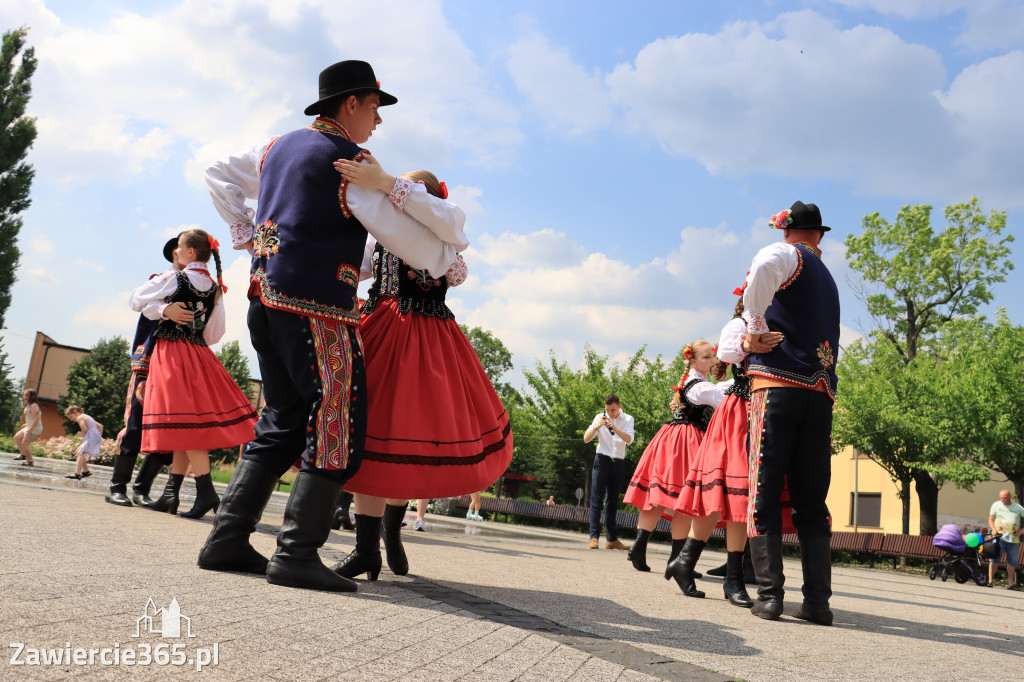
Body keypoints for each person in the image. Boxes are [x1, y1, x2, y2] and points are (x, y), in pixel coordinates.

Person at [199, 60, 464, 593]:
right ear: (351, 104)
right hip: (317, 308)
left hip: (265, 298)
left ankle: (226, 541)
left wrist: (248, 236)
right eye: (374, 108)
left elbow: (217, 172)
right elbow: (434, 246)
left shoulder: (277, 146)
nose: (378, 122)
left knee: (283, 417)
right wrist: (404, 202)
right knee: (338, 423)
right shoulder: (351, 163)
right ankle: (296, 553)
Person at [330, 168, 511, 582]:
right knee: (372, 432)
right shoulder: (380, 236)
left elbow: (457, 272)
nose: (400, 196)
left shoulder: (443, 237)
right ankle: (366, 548)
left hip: (427, 338)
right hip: (383, 328)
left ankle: (391, 531)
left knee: (410, 432)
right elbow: (354, 268)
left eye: (410, 192)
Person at [742, 201, 840, 625]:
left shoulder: (786, 254)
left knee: (762, 492)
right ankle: (818, 603)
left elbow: (763, 264)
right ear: (819, 234)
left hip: (778, 385)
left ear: (787, 231)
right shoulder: (826, 276)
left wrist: (754, 329)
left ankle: (769, 597)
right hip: (819, 393)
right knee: (811, 501)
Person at [128, 229, 258, 519]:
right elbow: (214, 334)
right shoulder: (215, 288)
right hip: (198, 353)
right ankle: (171, 494)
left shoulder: (175, 278)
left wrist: (163, 310)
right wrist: (170, 314)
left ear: (189, 253)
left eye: (179, 248)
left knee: (184, 425)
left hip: (171, 354)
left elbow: (135, 299)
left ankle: (206, 492)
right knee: (183, 423)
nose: (175, 252)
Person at [671, 300, 784, 605]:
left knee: (737, 496)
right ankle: (728, 578)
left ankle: (690, 563)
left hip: (761, 410)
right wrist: (751, 340)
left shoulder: (779, 322)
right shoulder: (739, 325)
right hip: (738, 415)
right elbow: (728, 353)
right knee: (736, 494)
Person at [625, 342, 731, 581]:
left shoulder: (691, 382)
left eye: (713, 356)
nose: (713, 361)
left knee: (660, 497)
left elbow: (718, 388)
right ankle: (676, 559)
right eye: (706, 357)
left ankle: (640, 548)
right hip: (688, 440)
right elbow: (723, 398)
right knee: (685, 500)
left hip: (669, 438)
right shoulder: (701, 387)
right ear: (693, 361)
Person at [105, 236, 179, 506]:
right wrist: (164, 308)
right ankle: (117, 486)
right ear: (176, 252)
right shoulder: (162, 280)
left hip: (178, 364)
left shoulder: (201, 287)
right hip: (149, 360)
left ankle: (141, 488)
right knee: (136, 422)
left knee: (169, 427)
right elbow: (139, 303)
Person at [584, 394, 635, 551]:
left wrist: (614, 427)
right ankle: (594, 537)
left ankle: (611, 539)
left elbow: (629, 439)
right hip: (602, 460)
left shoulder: (628, 419)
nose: (610, 413)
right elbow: (586, 438)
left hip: (618, 462)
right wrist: (597, 426)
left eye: (613, 410)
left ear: (619, 406)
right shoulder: (600, 417)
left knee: (612, 501)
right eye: (607, 410)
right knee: (596, 500)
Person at [988, 489, 1023, 590]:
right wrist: (993, 529)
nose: (1003, 500)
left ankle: (1010, 584)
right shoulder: (996, 505)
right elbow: (991, 520)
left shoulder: (1018, 508)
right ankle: (990, 581)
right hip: (998, 538)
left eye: (1005, 498)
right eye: (1001, 498)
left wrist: (1020, 532)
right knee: (994, 559)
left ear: (1010, 497)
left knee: (1012, 562)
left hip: (1013, 539)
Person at [64, 406, 102, 479]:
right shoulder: (87, 416)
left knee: (80, 452)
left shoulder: (80, 417)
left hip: (92, 436)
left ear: (75, 412)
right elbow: (100, 426)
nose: (72, 419)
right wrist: (98, 437)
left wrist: (80, 434)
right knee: (79, 452)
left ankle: (77, 474)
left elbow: (84, 430)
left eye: (71, 417)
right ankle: (85, 471)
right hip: (95, 436)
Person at [13, 389, 42, 466]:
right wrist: (26, 424)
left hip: (35, 428)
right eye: (24, 395)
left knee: (25, 443)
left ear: (32, 397)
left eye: (27, 395)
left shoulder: (34, 406)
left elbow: (37, 419)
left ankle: (30, 461)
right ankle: (23, 455)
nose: (25, 397)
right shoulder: (28, 405)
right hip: (29, 426)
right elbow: (31, 418)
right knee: (17, 437)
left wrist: (30, 430)